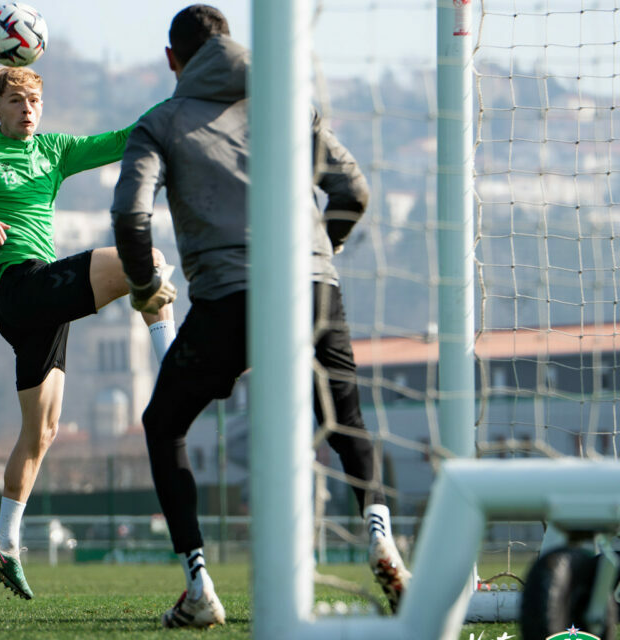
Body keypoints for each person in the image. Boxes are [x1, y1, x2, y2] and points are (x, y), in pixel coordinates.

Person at [110, 5, 411, 628]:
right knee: (347, 419)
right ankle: (382, 538)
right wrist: (317, 253)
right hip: (314, 288)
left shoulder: (160, 123)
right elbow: (353, 192)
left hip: (230, 299)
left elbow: (130, 218)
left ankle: (198, 586)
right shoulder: (287, 103)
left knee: (164, 424)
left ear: (173, 59)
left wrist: (145, 287)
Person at [0, 66, 177, 600]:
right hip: (21, 288)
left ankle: (4, 540)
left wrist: (178, 101)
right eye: (14, 100)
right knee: (147, 257)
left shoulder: (53, 150)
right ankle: (173, 361)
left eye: (34, 100)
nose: (26, 109)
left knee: (43, 433)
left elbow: (123, 140)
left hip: (45, 306)